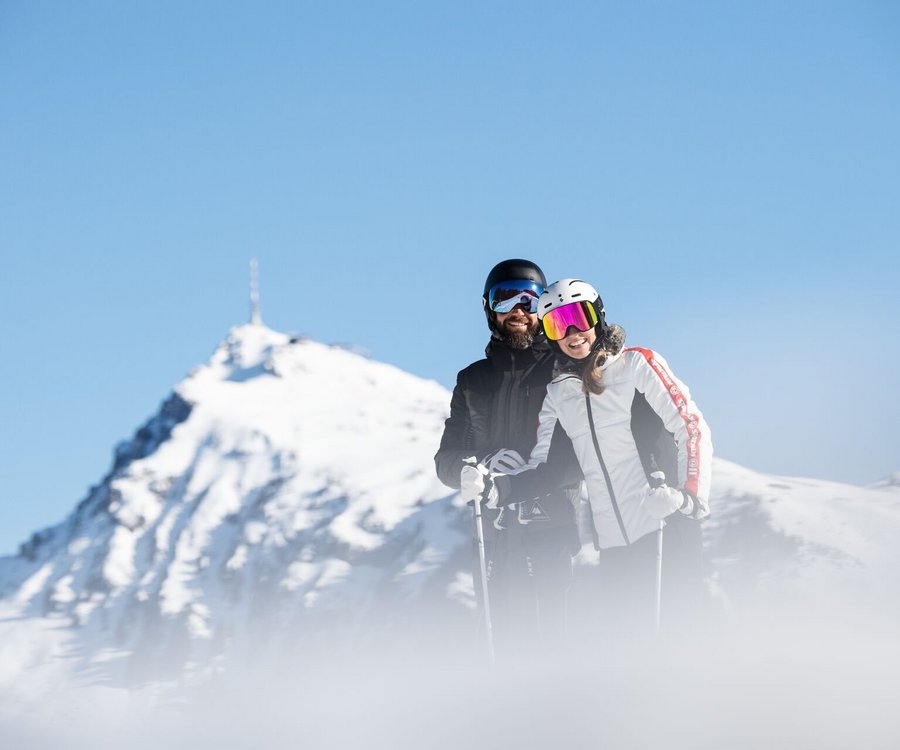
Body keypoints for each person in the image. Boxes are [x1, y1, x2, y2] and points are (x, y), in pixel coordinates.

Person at [461, 278, 713, 641]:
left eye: (578, 316)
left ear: (598, 315)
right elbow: (551, 469)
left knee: (683, 636)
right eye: (557, 324)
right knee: (628, 652)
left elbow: (691, 427)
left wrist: (689, 495)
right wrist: (494, 488)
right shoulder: (560, 394)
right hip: (614, 543)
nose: (572, 332)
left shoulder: (638, 366)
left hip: (665, 524)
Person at [435, 260, 582, 659]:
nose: (518, 310)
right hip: (495, 533)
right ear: (489, 308)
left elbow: (586, 452)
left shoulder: (564, 370)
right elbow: (447, 458)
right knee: (502, 634)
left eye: (529, 299)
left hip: (554, 524)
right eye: (506, 299)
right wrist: (474, 467)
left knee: (556, 631)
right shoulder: (473, 380)